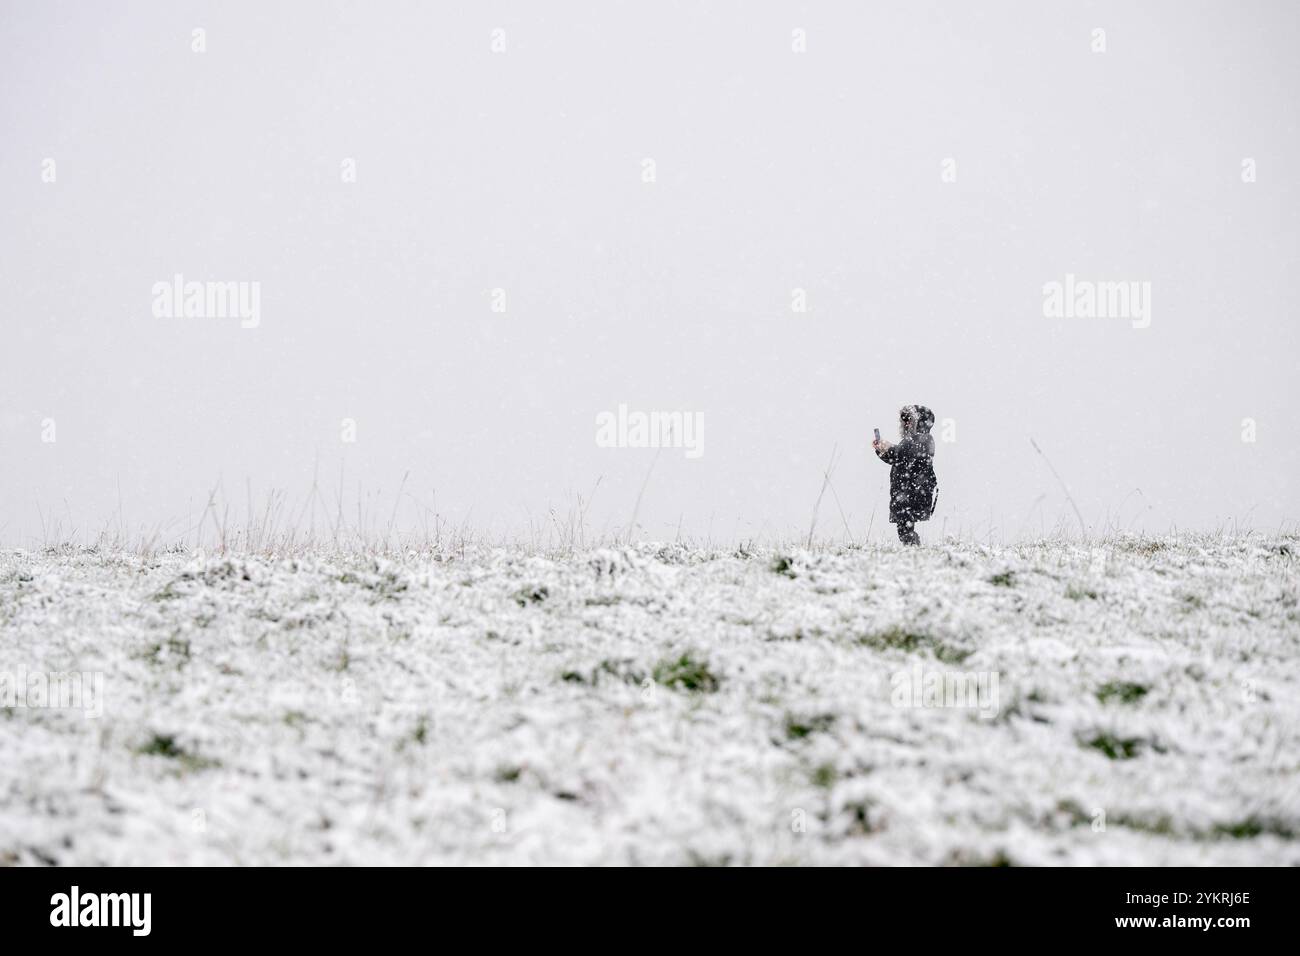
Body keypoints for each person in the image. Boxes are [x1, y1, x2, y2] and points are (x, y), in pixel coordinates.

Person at [872, 405, 937, 546]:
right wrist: (881, 450)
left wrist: (887, 447)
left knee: (905, 528)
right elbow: (897, 457)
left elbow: (899, 454)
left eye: (909, 420)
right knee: (904, 527)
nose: (906, 424)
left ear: (919, 422)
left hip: (912, 492)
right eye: (904, 420)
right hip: (908, 491)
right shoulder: (915, 440)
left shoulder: (923, 439)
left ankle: (914, 550)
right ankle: (914, 549)